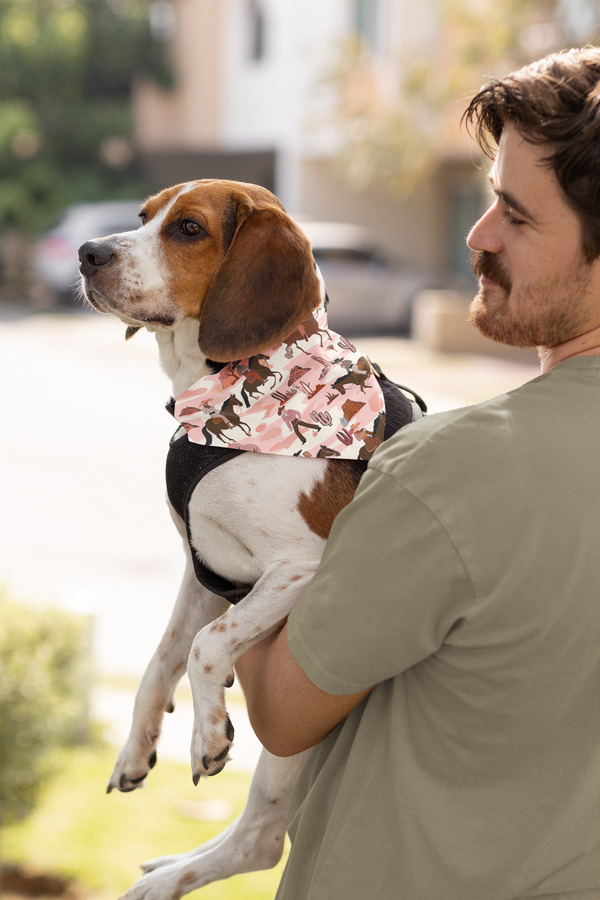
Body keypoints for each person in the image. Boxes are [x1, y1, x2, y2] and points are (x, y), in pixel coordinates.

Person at [236, 47, 600, 900]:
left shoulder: (457, 471)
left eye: (516, 214)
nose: (478, 236)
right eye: (488, 199)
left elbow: (283, 714)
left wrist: (225, 503)